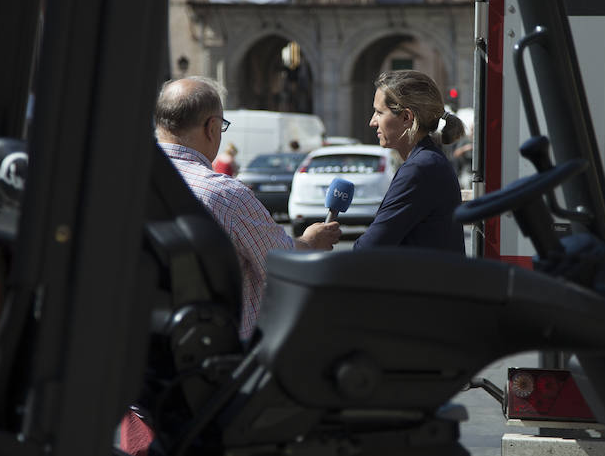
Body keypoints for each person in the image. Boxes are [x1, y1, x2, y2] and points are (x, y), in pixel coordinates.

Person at [153, 76, 341, 339]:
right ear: (212, 127)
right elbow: (280, 263)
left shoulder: (131, 184)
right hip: (217, 351)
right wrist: (309, 241)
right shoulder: (226, 194)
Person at [353, 71, 466, 253]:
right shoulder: (427, 160)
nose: (372, 122)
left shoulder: (420, 168)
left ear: (407, 117)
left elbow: (367, 250)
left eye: (379, 112)